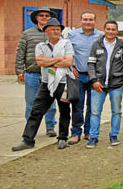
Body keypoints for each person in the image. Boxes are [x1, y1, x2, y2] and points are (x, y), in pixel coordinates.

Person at [12, 18, 74, 151]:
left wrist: (49, 61)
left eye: (58, 29)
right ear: (46, 31)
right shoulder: (40, 46)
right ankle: (27, 140)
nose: (56, 31)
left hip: (63, 83)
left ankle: (63, 138)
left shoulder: (66, 44)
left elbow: (68, 62)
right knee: (36, 111)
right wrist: (58, 59)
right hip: (46, 84)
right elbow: (39, 62)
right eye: (53, 29)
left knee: (64, 111)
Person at [85, 21, 123, 148]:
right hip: (98, 85)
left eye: (113, 29)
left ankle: (114, 135)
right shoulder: (97, 44)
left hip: (116, 84)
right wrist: (94, 80)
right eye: (108, 29)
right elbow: (90, 64)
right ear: (104, 30)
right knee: (95, 112)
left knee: (116, 111)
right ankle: (93, 137)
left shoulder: (122, 46)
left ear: (117, 31)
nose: (111, 32)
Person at [15, 7, 58, 138]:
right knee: (31, 104)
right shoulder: (27, 34)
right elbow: (20, 52)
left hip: (50, 73)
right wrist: (19, 70)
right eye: (41, 16)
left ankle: (50, 126)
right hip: (32, 73)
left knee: (51, 104)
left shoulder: (56, 34)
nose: (44, 17)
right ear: (36, 18)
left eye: (47, 15)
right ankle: (30, 129)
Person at [67, 11, 103, 144]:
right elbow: (68, 52)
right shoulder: (72, 35)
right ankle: (76, 133)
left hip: (95, 77)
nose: (88, 22)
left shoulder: (101, 35)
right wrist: (73, 66)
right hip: (78, 75)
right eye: (85, 19)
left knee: (93, 106)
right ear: (81, 20)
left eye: (91, 20)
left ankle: (88, 131)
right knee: (77, 105)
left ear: (95, 21)